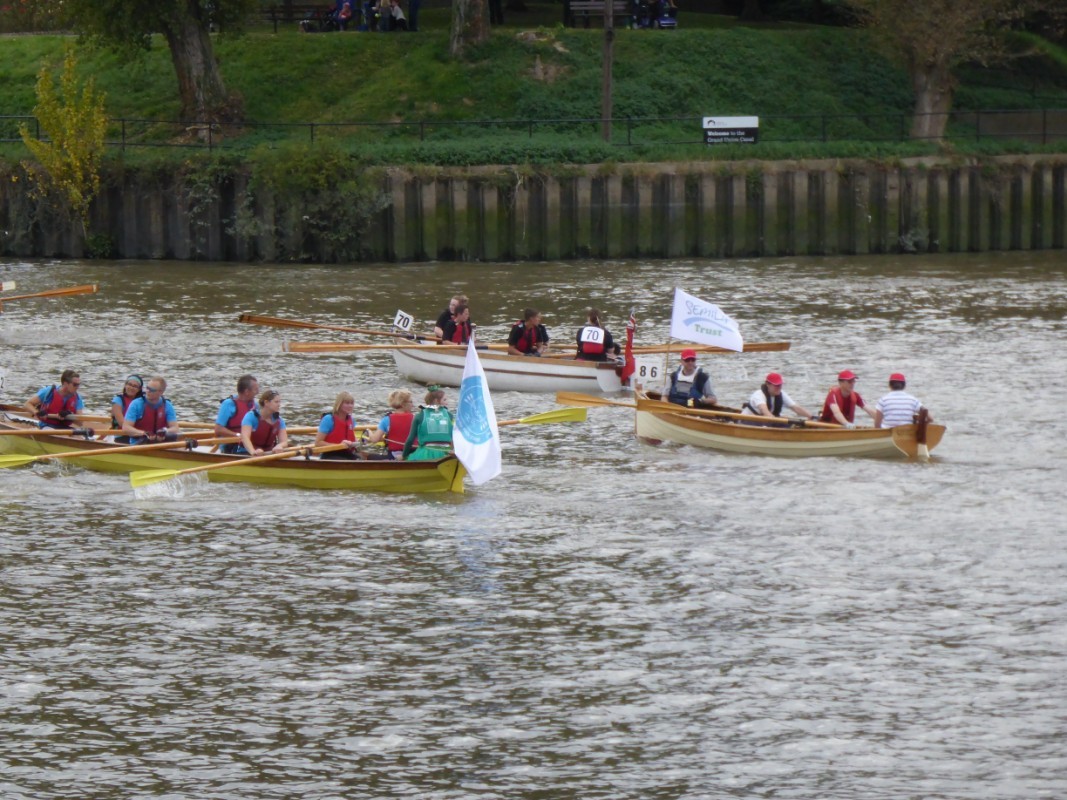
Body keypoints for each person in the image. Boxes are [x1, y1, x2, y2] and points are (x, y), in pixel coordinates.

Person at [121, 376, 181, 443]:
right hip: (139, 443)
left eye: (151, 390)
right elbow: (126, 428)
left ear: (161, 392)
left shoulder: (167, 405)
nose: (147, 391)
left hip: (161, 443)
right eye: (147, 388)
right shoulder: (136, 404)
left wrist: (165, 431)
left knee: (174, 437)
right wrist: (144, 433)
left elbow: (175, 428)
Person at [402, 385, 453, 461]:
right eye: (445, 400)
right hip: (447, 452)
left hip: (426, 453)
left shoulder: (419, 416)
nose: (447, 403)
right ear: (436, 401)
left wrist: (404, 456)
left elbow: (410, 439)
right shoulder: (449, 415)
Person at [214, 374, 259, 454]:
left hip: (250, 445)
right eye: (255, 390)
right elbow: (218, 429)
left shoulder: (255, 406)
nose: (258, 392)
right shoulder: (228, 404)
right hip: (231, 446)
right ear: (247, 392)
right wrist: (238, 435)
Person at [366, 388, 417, 458]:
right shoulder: (415, 418)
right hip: (414, 454)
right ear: (403, 404)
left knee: (369, 456)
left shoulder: (386, 420)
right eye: (410, 402)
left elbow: (374, 439)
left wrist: (369, 432)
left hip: (395, 456)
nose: (413, 405)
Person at [744, 372, 813, 420]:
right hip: (747, 421)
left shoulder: (781, 394)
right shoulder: (759, 395)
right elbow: (765, 411)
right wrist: (776, 422)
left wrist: (811, 416)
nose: (779, 388)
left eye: (780, 385)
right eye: (776, 385)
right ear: (767, 384)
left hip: (765, 421)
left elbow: (795, 408)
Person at [241, 389, 290, 456]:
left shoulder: (279, 420)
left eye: (279, 402)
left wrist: (280, 446)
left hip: (268, 453)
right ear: (266, 402)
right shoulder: (251, 416)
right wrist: (253, 452)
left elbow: (284, 442)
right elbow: (245, 437)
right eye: (276, 402)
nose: (279, 405)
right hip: (246, 453)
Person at [314, 391, 361, 459]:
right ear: (339, 404)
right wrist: (339, 445)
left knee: (360, 459)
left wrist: (355, 442)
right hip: (330, 454)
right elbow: (318, 443)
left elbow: (352, 437)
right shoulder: (328, 419)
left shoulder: (351, 420)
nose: (350, 406)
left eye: (352, 403)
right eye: (347, 403)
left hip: (346, 453)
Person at [109, 375, 145, 443]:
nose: (131, 388)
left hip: (139, 434)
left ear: (139, 389)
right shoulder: (118, 400)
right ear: (125, 385)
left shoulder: (143, 401)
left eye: (135, 386)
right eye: (129, 384)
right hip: (123, 435)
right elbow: (122, 424)